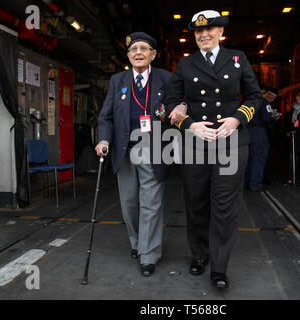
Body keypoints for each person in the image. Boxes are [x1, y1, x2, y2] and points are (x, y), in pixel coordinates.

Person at [164, 10, 262, 289]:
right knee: (196, 203)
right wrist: (188, 123)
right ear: (193, 35)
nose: (204, 35)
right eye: (198, 32)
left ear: (221, 32)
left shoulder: (237, 58)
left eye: (210, 30)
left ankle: (219, 268)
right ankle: (199, 254)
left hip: (231, 142)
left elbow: (255, 96)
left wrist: (237, 118)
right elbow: (168, 103)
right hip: (196, 144)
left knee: (224, 206)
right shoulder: (185, 65)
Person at [96, 32, 172, 277]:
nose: (138, 52)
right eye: (133, 49)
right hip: (124, 148)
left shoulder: (166, 78)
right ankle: (137, 243)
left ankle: (148, 254)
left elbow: (176, 107)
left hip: (153, 145)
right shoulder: (118, 80)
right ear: (128, 55)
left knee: (150, 202)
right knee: (129, 202)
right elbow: (106, 116)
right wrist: (104, 139)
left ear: (153, 54)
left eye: (144, 48)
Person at [245, 87, 278, 192]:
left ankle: (246, 183)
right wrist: (273, 117)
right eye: (272, 96)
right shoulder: (265, 103)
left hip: (249, 132)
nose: (272, 99)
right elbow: (266, 119)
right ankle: (255, 184)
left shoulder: (251, 101)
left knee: (249, 160)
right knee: (258, 159)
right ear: (267, 94)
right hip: (259, 133)